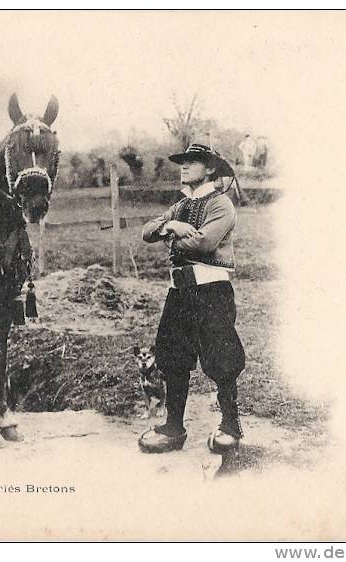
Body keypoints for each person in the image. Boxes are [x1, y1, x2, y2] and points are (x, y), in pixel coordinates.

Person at [138, 143, 246, 455]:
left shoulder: (221, 205)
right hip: (179, 292)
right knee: (172, 357)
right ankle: (173, 428)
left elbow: (203, 243)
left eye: (193, 162)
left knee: (221, 358)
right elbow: (147, 231)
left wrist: (170, 233)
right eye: (183, 162)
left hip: (211, 291)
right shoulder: (180, 207)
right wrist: (170, 224)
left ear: (211, 168)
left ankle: (231, 425)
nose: (184, 167)